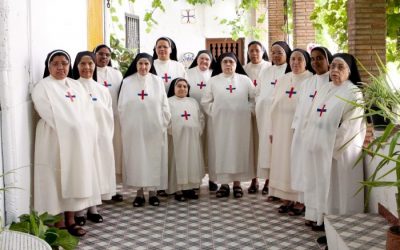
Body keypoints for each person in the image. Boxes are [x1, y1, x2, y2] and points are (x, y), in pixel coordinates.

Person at [32, 50, 101, 236]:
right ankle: (58, 222)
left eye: (64, 63)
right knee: (55, 178)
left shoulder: (76, 86)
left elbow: (87, 111)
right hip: (53, 138)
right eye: (55, 63)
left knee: (73, 176)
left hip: (77, 141)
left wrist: (84, 129)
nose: (60, 67)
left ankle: (71, 220)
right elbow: (47, 112)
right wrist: (73, 128)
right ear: (48, 66)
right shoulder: (42, 87)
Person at [302, 53, 365, 231]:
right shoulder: (325, 88)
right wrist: (311, 139)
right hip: (320, 149)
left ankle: (340, 226)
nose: (335, 70)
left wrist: (331, 146)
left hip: (340, 152)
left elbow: (350, 126)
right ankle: (323, 219)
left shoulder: (354, 93)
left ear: (349, 70)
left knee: (338, 191)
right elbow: (312, 115)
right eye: (333, 66)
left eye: (340, 67)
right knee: (322, 187)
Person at [118, 53, 171, 207]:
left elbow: (164, 104)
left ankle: (153, 193)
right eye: (140, 63)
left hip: (154, 128)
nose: (143, 67)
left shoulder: (157, 81)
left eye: (146, 64)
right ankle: (139, 193)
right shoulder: (127, 82)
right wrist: (127, 127)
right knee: (137, 160)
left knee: (154, 160)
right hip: (134, 130)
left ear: (150, 65)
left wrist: (163, 123)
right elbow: (121, 106)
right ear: (136, 64)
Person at [201, 52, 255, 198]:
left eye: (231, 62)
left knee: (238, 151)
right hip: (220, 124)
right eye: (225, 62)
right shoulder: (213, 81)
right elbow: (206, 101)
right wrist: (216, 111)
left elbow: (254, 98)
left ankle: (237, 184)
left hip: (241, 124)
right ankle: (224, 185)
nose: (228, 65)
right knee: (222, 151)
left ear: (236, 64)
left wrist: (247, 110)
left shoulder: (245, 80)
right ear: (220, 64)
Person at [72, 51, 116, 225]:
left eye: (90, 64)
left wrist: (106, 137)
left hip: (100, 138)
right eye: (83, 64)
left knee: (97, 171)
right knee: (83, 172)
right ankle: (79, 211)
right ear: (77, 66)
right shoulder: (72, 87)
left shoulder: (102, 89)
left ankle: (93, 209)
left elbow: (109, 115)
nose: (87, 67)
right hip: (81, 139)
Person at [268, 48, 313, 213]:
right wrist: (271, 129)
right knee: (283, 162)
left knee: (298, 162)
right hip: (281, 127)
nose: (295, 62)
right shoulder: (284, 79)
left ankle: (301, 200)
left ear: (306, 62)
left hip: (299, 129)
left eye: (299, 59)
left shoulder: (311, 79)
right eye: (292, 59)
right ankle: (287, 198)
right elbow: (273, 104)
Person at [289, 47, 332, 217]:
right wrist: (295, 128)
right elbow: (300, 108)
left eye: (319, 58)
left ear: (328, 60)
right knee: (303, 169)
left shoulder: (332, 81)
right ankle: (306, 206)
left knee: (317, 173)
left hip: (320, 134)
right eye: (313, 59)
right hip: (302, 132)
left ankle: (320, 212)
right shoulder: (307, 82)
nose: (316, 62)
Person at [256, 41, 292, 195]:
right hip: (265, 116)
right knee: (267, 150)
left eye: (280, 52)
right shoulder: (265, 71)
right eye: (273, 52)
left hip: (282, 118)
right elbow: (258, 92)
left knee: (280, 151)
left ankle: (280, 186)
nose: (276, 56)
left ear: (287, 54)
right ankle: (269, 181)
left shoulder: (290, 71)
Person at [93, 44, 124, 202]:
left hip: (114, 119)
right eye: (100, 54)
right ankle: (97, 190)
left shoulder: (117, 74)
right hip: (96, 122)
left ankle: (111, 189)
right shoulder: (90, 72)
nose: (104, 57)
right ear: (94, 55)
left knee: (113, 154)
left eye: (107, 55)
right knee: (98, 155)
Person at [166, 78, 205, 201]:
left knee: (192, 162)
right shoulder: (168, 102)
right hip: (176, 139)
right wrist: (173, 131)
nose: (182, 88)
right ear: (173, 88)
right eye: (179, 86)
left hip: (192, 138)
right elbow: (165, 119)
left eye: (185, 86)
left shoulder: (193, 102)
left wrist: (198, 129)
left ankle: (190, 188)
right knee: (178, 163)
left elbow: (201, 118)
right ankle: (178, 189)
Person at [186, 50, 218, 191]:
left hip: (211, 116)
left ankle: (213, 178)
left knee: (211, 146)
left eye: (207, 59)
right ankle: (196, 179)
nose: (204, 62)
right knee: (195, 146)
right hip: (193, 114)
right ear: (197, 60)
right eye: (201, 59)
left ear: (211, 61)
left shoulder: (214, 74)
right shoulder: (188, 73)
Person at [243, 41, 272, 194]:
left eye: (257, 50)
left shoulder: (269, 67)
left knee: (265, 146)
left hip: (265, 113)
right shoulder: (244, 68)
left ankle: (268, 180)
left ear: (263, 52)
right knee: (253, 145)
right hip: (250, 113)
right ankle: (254, 180)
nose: (254, 53)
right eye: (251, 51)